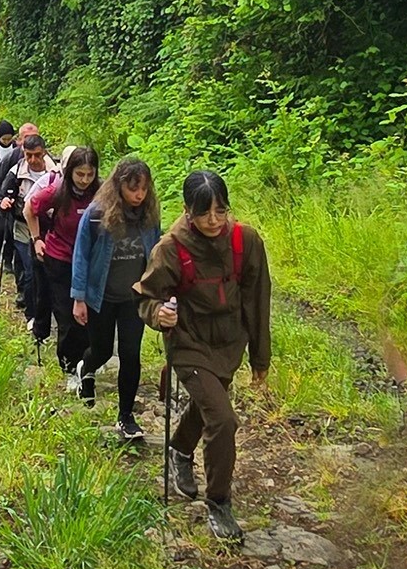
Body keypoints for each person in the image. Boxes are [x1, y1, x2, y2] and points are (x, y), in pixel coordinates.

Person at [134, 170, 271, 541]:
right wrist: (159, 313)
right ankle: (219, 504)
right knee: (224, 419)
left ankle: (179, 449)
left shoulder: (247, 241)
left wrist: (261, 358)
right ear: (187, 211)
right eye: (204, 213)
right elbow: (146, 298)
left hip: (229, 343)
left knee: (209, 407)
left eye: (220, 211)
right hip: (189, 343)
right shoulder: (170, 248)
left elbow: (259, 301)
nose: (213, 221)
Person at [71, 158, 161, 440]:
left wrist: (158, 290)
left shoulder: (149, 217)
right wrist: (79, 297)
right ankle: (86, 368)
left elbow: (157, 254)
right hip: (102, 296)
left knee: (131, 355)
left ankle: (126, 416)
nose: (139, 195)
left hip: (133, 299)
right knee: (102, 351)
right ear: (119, 185)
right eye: (133, 189)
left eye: (144, 189)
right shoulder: (97, 214)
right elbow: (81, 254)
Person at [25, 147, 99, 384]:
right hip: (60, 259)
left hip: (90, 261)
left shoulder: (101, 193)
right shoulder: (57, 191)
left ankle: (87, 363)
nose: (85, 180)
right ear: (70, 173)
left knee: (90, 314)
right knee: (67, 315)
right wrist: (37, 240)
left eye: (89, 174)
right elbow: (30, 209)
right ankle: (68, 367)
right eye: (80, 174)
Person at [0, 135, 58, 334]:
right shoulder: (16, 171)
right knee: (30, 270)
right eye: (29, 155)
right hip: (22, 226)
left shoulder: (55, 172)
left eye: (37, 155)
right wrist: (4, 201)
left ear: (44, 152)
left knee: (45, 272)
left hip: (49, 229)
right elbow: (4, 191)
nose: (33, 160)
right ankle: (32, 314)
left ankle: (46, 312)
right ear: (23, 152)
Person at [0, 122, 37, 289]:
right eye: (27, 139)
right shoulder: (13, 158)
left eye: (35, 138)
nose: (31, 142)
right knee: (10, 239)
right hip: (13, 212)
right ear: (20, 141)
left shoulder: (46, 160)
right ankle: (21, 287)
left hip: (36, 218)